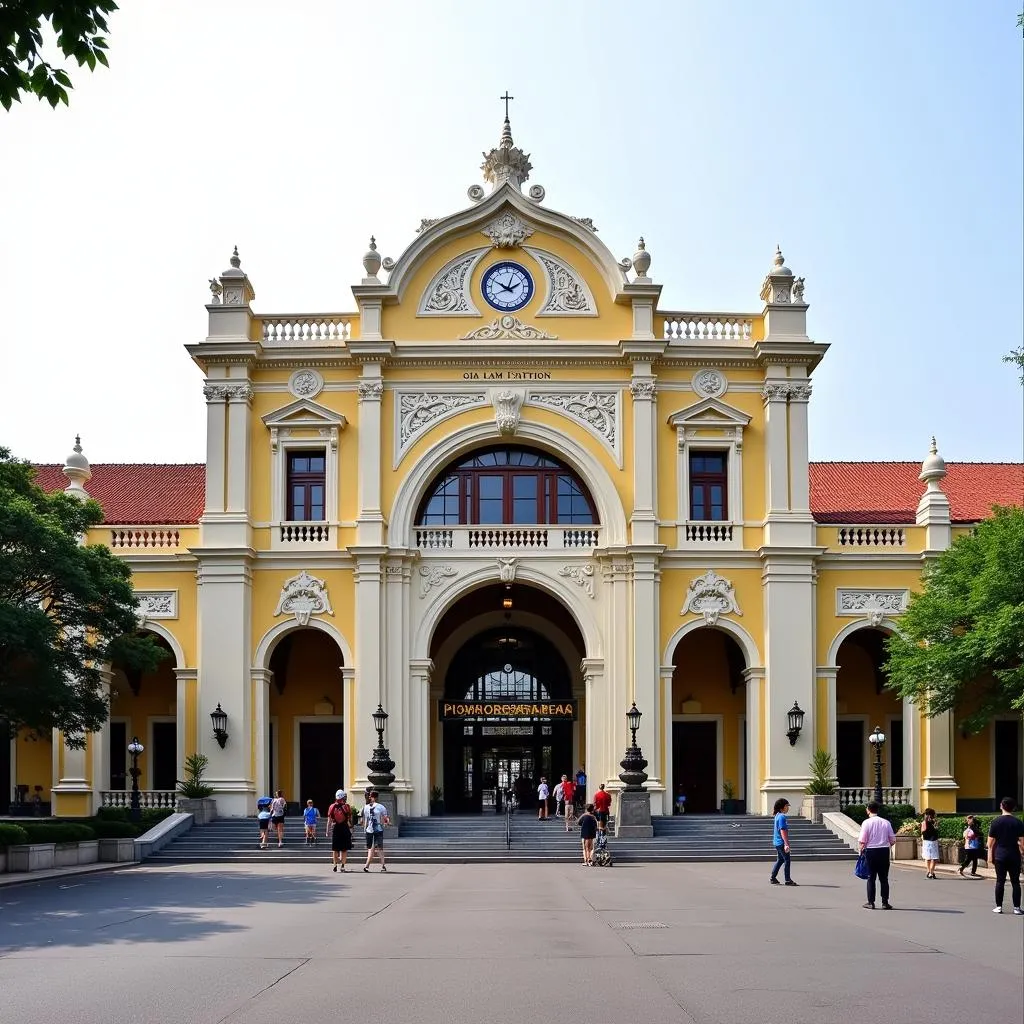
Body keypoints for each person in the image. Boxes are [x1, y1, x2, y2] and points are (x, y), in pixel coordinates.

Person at [987, 796, 1024, 915]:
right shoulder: (1018, 822)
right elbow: (1022, 842)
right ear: (1013, 808)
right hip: (1014, 855)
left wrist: (989, 856)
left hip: (1000, 855)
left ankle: (998, 907)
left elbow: (989, 843)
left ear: (1001, 806)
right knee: (1015, 882)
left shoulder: (995, 822)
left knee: (1000, 881)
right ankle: (1017, 908)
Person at [858, 801, 896, 909]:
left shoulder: (866, 823)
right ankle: (885, 902)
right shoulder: (886, 822)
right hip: (883, 851)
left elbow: (862, 840)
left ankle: (871, 902)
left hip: (871, 851)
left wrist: (861, 851)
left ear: (868, 810)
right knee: (884, 878)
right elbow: (893, 840)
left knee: (871, 878)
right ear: (877, 810)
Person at [769, 798, 797, 886]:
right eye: (786, 806)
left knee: (780, 860)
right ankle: (787, 880)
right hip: (781, 842)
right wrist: (786, 844)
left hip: (776, 842)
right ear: (782, 807)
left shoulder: (777, 815)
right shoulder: (782, 817)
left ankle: (773, 878)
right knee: (787, 860)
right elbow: (782, 831)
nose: (788, 808)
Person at [361, 790, 390, 872]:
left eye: (371, 796)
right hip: (376, 829)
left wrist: (365, 829)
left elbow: (365, 820)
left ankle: (367, 866)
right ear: (377, 797)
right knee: (378, 848)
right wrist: (386, 822)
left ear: (373, 797)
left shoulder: (370, 807)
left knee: (372, 849)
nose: (370, 797)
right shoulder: (380, 807)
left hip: (373, 830)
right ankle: (382, 865)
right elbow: (385, 817)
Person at [327, 789, 353, 872]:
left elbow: (329, 820)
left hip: (335, 828)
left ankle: (335, 865)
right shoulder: (347, 807)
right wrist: (351, 829)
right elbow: (350, 819)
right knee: (344, 849)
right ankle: (342, 866)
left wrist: (327, 830)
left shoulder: (332, 806)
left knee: (335, 849)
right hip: (344, 827)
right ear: (343, 797)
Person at [920, 808, 940, 879]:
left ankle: (929, 872)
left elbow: (922, 831)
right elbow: (937, 830)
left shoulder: (924, 822)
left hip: (926, 841)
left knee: (927, 857)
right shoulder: (935, 822)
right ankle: (931, 872)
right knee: (934, 858)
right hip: (933, 841)